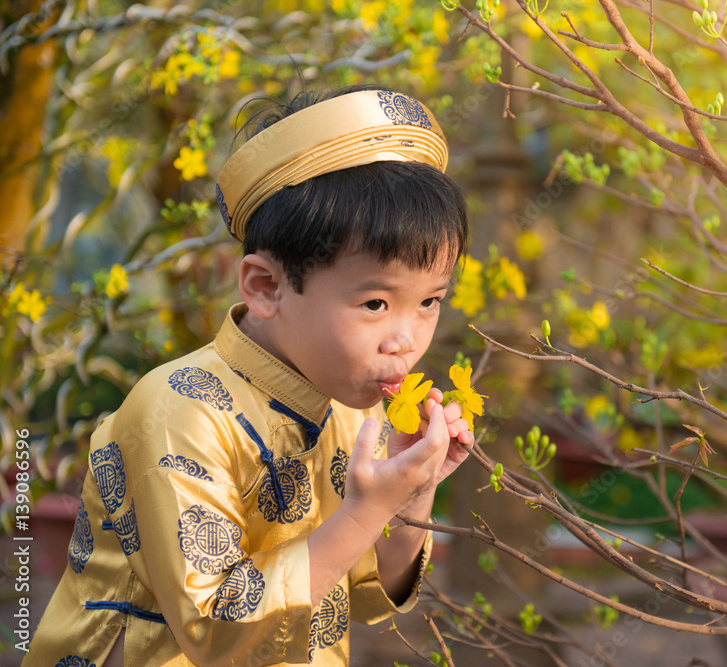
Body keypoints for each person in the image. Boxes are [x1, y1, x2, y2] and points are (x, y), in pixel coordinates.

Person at [25, 85, 473, 666]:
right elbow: (214, 630)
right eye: (375, 305)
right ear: (266, 286)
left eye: (430, 302)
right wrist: (365, 508)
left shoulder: (350, 403)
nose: (406, 340)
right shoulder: (178, 410)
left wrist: (413, 489)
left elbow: (368, 598)